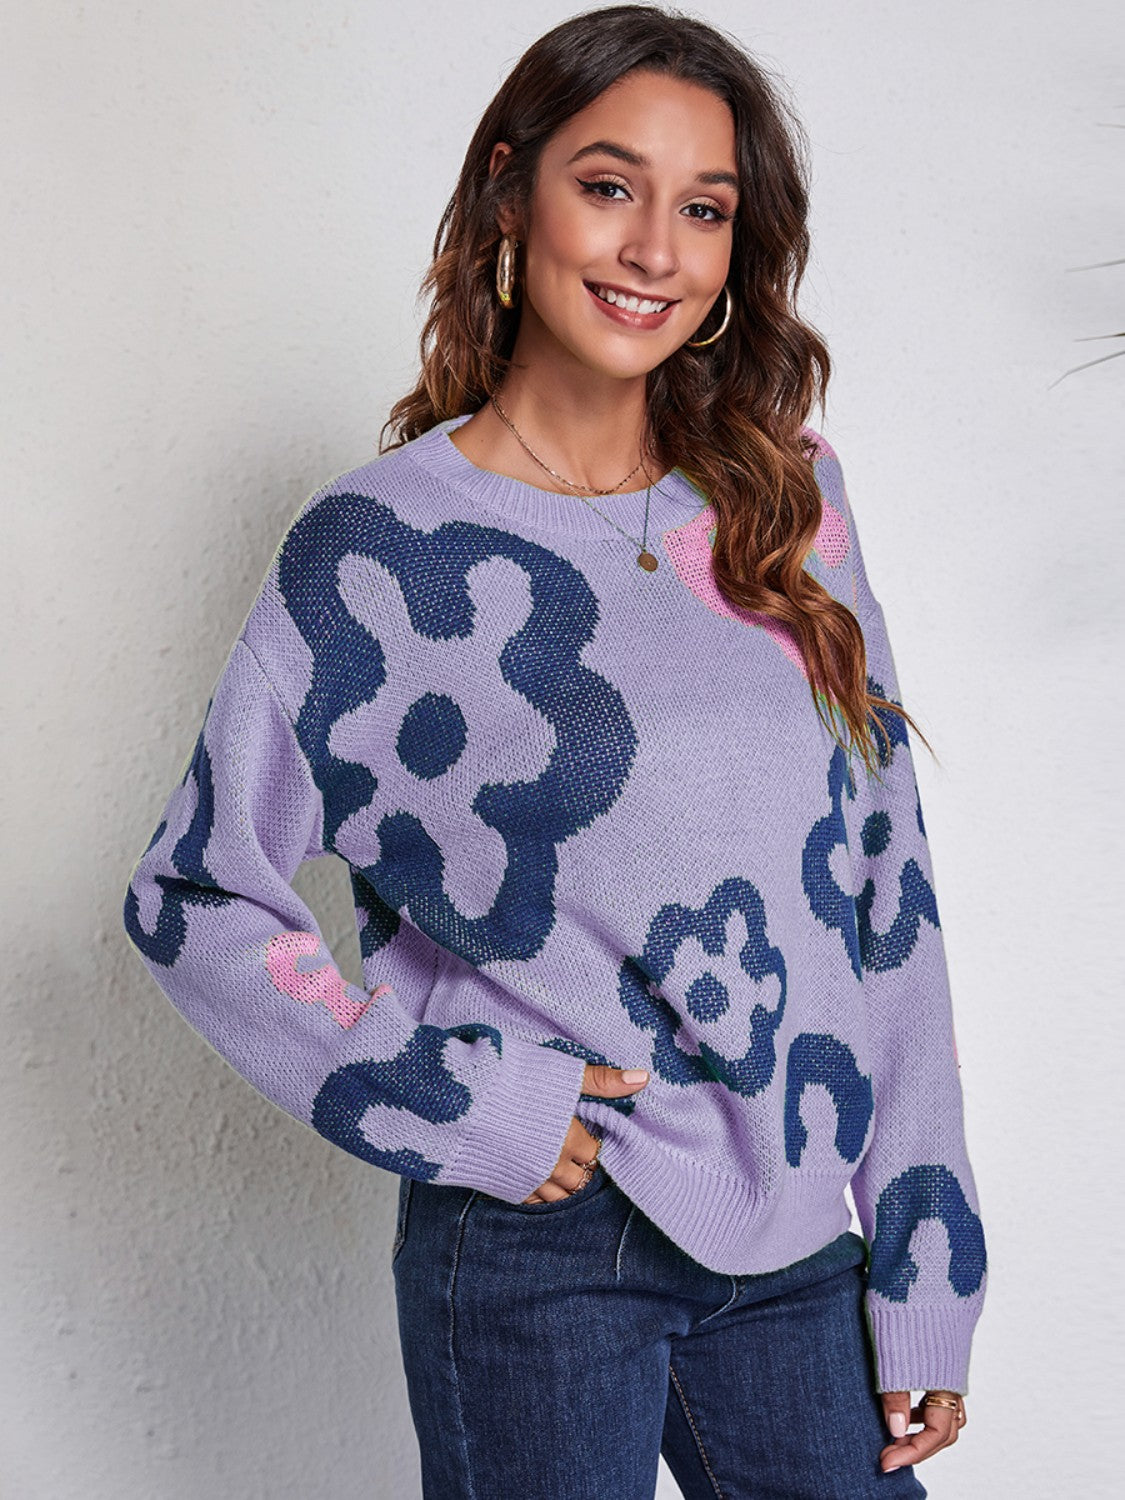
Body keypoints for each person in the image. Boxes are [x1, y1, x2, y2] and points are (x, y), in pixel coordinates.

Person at [122, 6, 987, 1496]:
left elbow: (884, 887)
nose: (654, 248)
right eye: (608, 186)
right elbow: (190, 896)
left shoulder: (787, 504)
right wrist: (467, 1101)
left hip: (795, 1231)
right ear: (511, 196)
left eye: (703, 209)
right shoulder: (378, 551)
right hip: (540, 1242)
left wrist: (925, 1256)